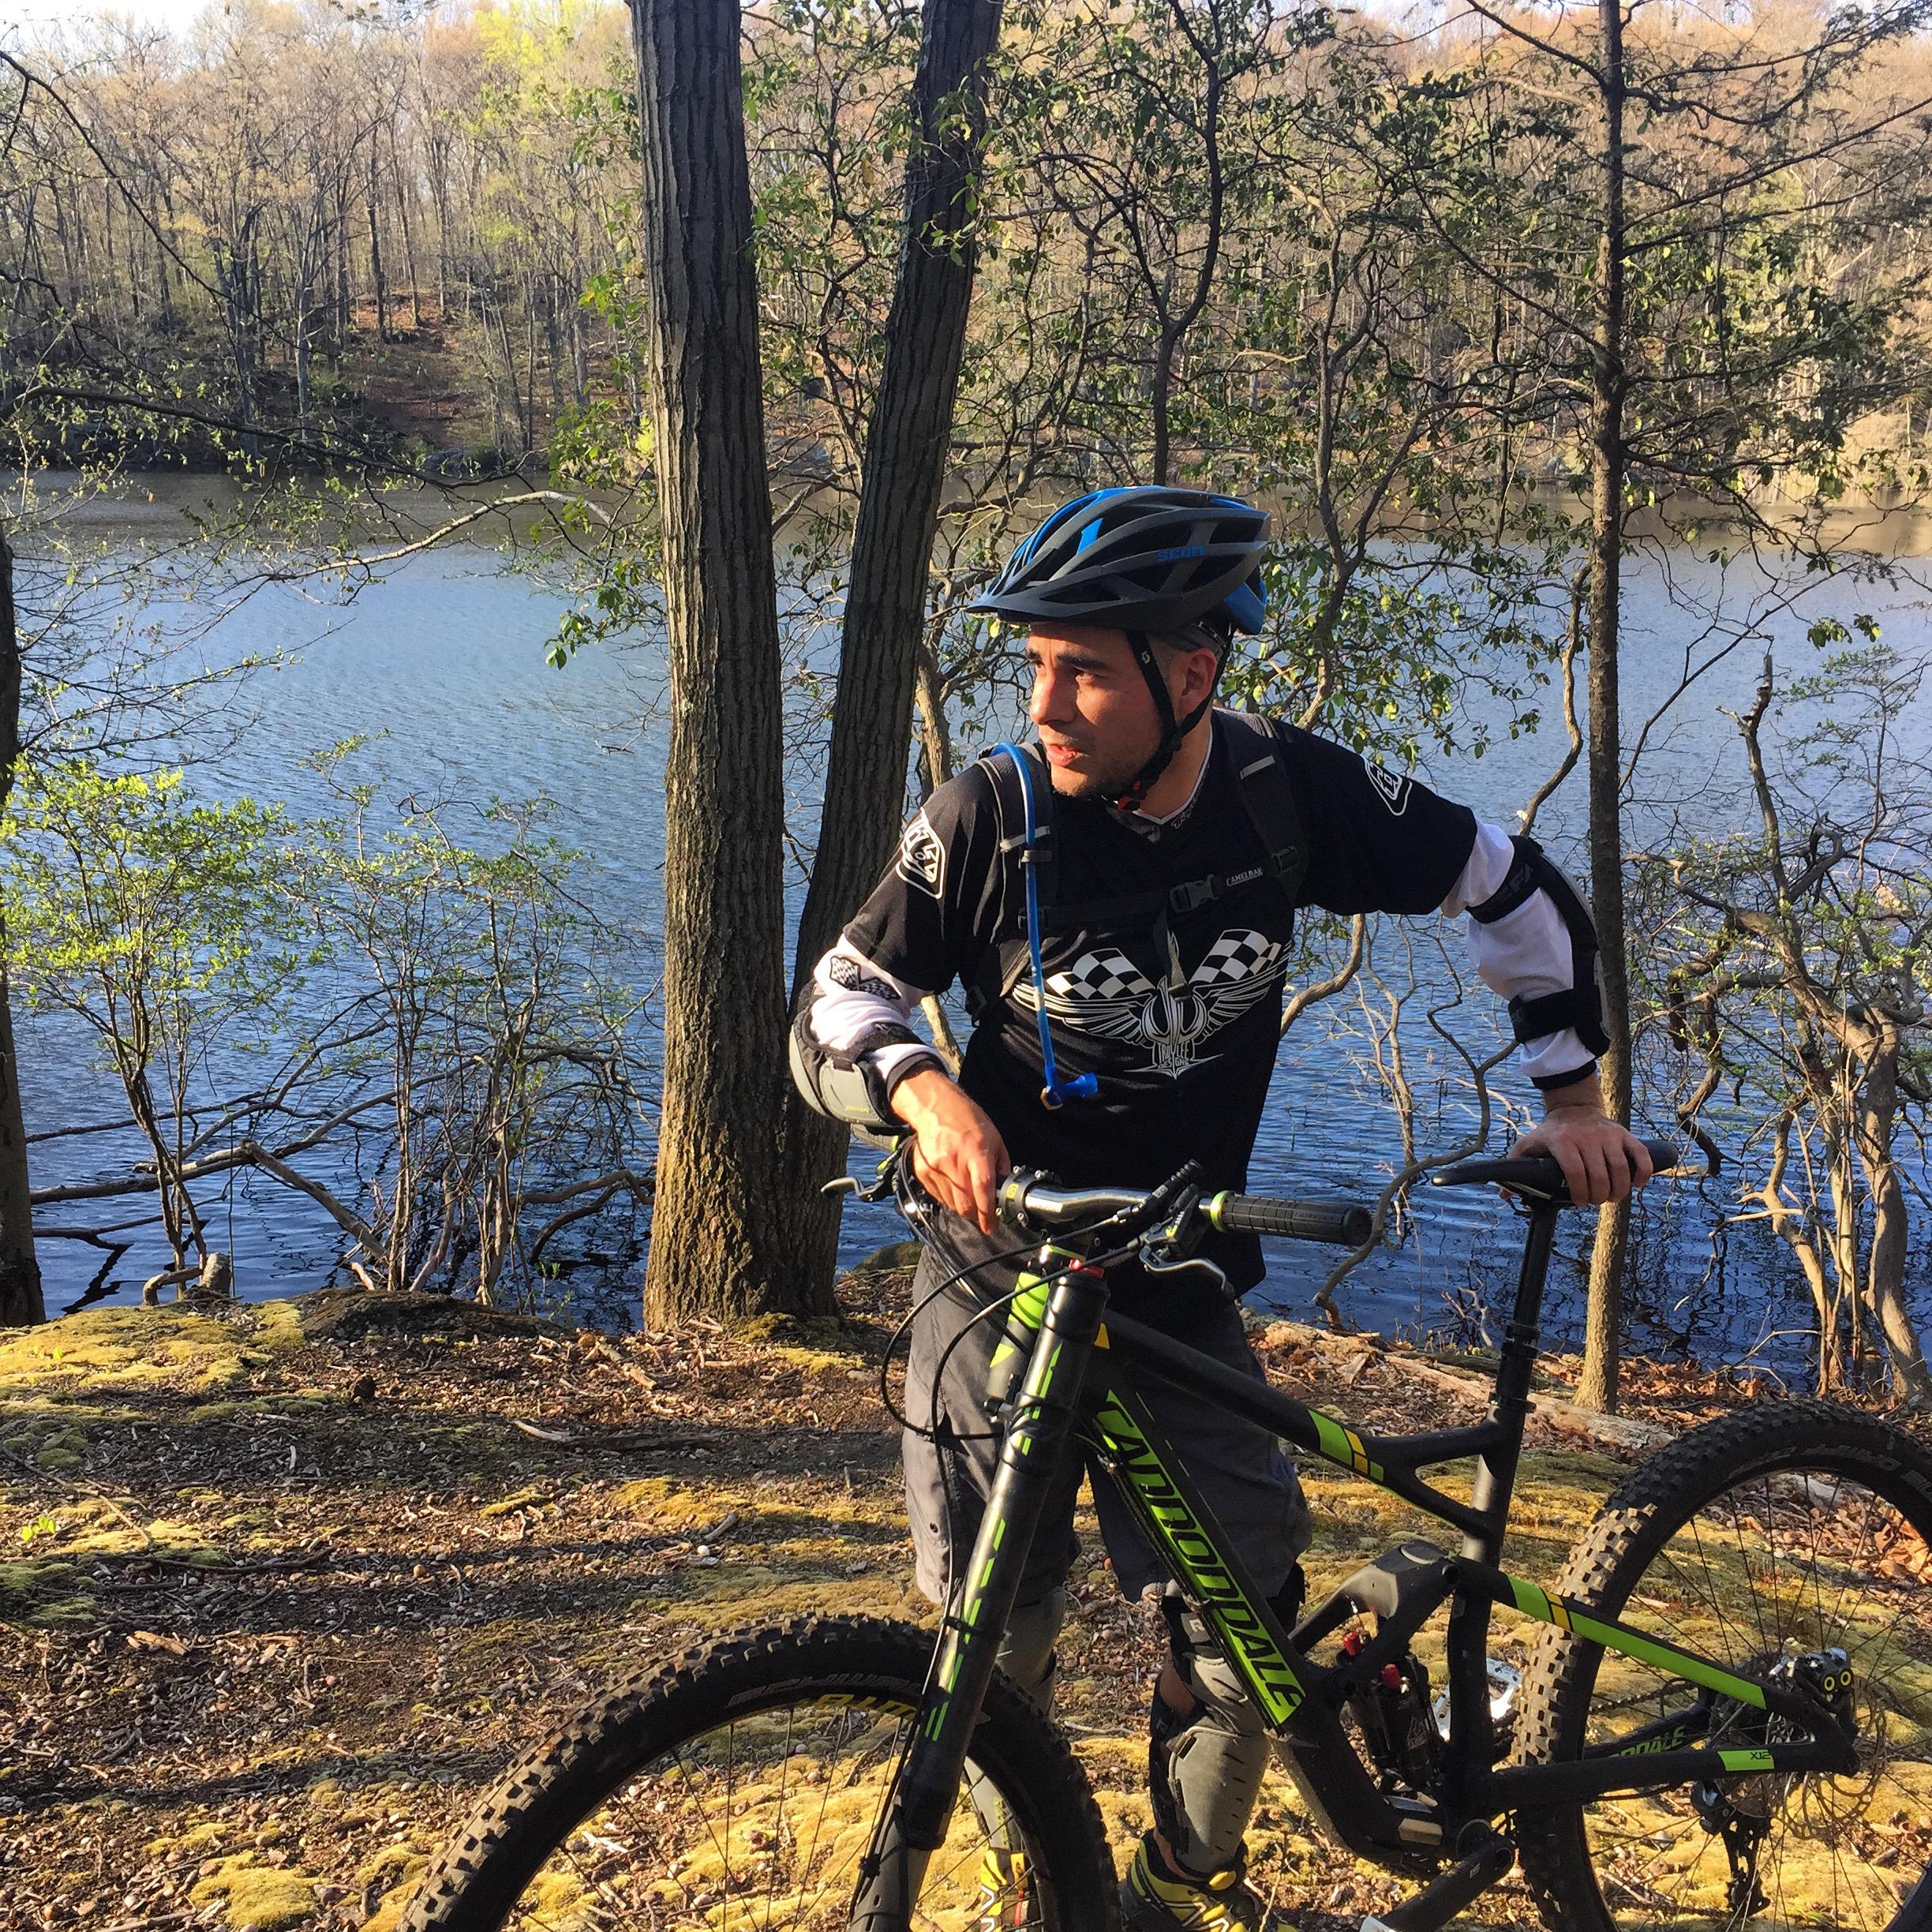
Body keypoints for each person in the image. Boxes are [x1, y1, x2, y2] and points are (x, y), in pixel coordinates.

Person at [790, 486, 1650, 1931]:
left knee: (1242, 1621)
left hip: (1177, 1276)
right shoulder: (988, 815)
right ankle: (1032, 1881)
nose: (1047, 701)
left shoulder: (1283, 792)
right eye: (1035, 666)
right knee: (991, 1619)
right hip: (994, 1269)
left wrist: (1572, 1100)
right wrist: (926, 1093)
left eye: (1086, 669)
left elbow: (1508, 885)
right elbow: (841, 991)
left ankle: (1176, 1889)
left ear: (1190, 676)